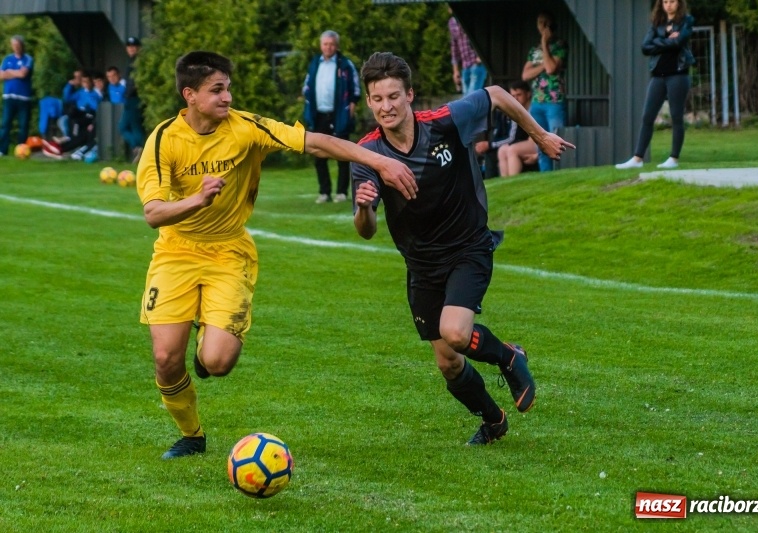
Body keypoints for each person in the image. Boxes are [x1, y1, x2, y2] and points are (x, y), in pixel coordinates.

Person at [136, 51, 417, 460]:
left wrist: (378, 159)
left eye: (229, 87)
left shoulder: (246, 128)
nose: (228, 97)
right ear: (190, 95)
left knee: (217, 362)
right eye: (217, 90)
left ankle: (207, 342)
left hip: (229, 252)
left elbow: (315, 143)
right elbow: (153, 213)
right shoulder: (163, 139)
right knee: (164, 358)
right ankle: (192, 434)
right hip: (175, 253)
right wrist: (197, 200)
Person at [351, 52, 574, 445]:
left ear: (410, 96)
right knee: (449, 363)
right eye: (377, 99)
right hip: (422, 265)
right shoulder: (367, 154)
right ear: (369, 103)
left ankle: (509, 357)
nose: (386, 106)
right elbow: (366, 231)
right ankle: (493, 420)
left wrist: (538, 136)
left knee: (454, 332)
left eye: (394, 96)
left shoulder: (444, 121)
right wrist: (364, 207)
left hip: (468, 246)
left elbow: (498, 94)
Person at [616, 0, 695, 170]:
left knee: (676, 117)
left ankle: (673, 158)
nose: (668, 5)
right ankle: (637, 159)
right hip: (658, 76)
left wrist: (659, 42)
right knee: (647, 116)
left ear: (679, 3)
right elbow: (645, 47)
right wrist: (667, 39)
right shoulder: (657, 23)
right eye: (665, 1)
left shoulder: (686, 21)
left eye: (672, 1)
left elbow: (679, 42)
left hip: (678, 75)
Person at [302, 30, 360, 204]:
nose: (329, 47)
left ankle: (342, 192)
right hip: (319, 115)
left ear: (337, 45)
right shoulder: (314, 64)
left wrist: (351, 106)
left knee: (342, 154)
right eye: (325, 44)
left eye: (332, 44)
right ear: (321, 45)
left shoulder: (345, 64)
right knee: (319, 154)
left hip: (339, 115)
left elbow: (355, 88)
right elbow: (307, 86)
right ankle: (324, 192)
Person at [522, 11, 567, 172]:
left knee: (557, 139)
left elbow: (551, 68)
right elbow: (525, 74)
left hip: (554, 101)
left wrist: (544, 43)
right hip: (537, 102)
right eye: (539, 22)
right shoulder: (534, 50)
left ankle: (559, 172)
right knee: (539, 141)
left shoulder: (559, 45)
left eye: (544, 22)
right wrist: (543, 66)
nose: (541, 26)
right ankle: (545, 174)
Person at [485, 81, 539, 177]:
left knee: (512, 150)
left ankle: (513, 180)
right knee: (502, 150)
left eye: (519, 95)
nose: (515, 98)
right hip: (529, 141)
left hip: (538, 141)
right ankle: (505, 183)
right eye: (513, 96)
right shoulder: (516, 109)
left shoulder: (534, 108)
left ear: (528, 94)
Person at [0, 35, 34, 157]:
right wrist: (15, 72)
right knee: (5, 124)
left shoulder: (28, 59)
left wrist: (9, 72)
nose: (16, 48)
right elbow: (1, 76)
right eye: (14, 45)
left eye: (18, 45)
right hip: (9, 96)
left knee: (23, 125)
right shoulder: (7, 59)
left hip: (23, 97)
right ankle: (2, 150)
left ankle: (22, 150)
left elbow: (23, 74)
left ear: (22, 46)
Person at [448, 8, 486, 95]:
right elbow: (454, 47)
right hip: (465, 66)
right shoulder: (452, 22)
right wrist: (455, 71)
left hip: (477, 63)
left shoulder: (471, 17)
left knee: (471, 97)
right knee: (466, 97)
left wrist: (480, 57)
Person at [120, 36, 145, 164]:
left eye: (134, 46)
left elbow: (136, 82)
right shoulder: (130, 61)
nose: (132, 49)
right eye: (129, 46)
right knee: (124, 127)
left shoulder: (138, 62)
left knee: (134, 127)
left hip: (134, 98)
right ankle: (137, 148)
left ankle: (140, 148)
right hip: (130, 98)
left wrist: (128, 93)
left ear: (138, 48)